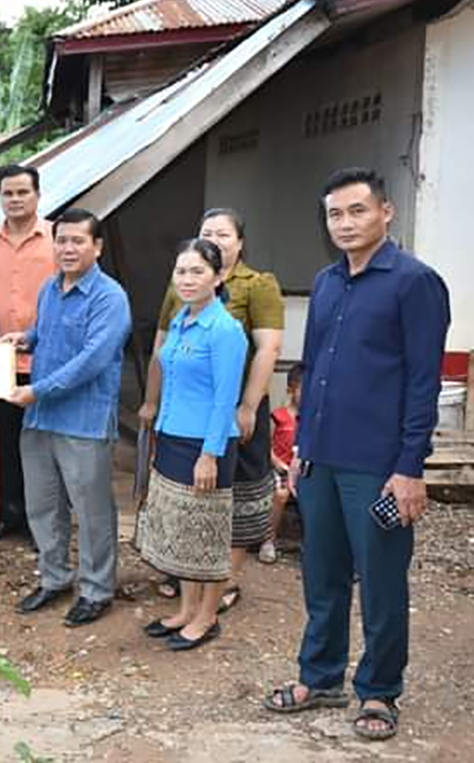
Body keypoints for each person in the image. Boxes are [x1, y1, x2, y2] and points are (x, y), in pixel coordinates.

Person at [265, 168, 449, 742]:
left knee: (382, 582)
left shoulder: (415, 283)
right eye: (335, 214)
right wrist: (302, 447)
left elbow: (423, 383)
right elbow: (313, 371)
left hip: (379, 467)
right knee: (321, 575)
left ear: (385, 212)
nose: (345, 223)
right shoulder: (326, 283)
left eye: (357, 211)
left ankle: (379, 690)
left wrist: (410, 467)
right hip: (321, 460)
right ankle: (320, 677)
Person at [140, 207, 284, 611]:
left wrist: (248, 406)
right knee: (189, 512)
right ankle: (189, 595)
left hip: (230, 413)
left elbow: (267, 350)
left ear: (239, 243)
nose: (215, 240)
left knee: (228, 507)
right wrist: (152, 401)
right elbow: (162, 350)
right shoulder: (184, 299)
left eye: (224, 234)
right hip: (184, 421)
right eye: (208, 232)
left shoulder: (255, 287)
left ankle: (219, 590)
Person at [5, 209, 132, 627]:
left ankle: (97, 589)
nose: (68, 248)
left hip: (83, 420)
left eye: (78, 240)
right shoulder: (50, 288)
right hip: (40, 417)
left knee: (91, 510)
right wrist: (26, 338)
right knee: (43, 504)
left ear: (98, 247)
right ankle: (55, 577)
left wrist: (37, 389)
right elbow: (47, 333)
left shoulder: (110, 297)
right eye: (61, 240)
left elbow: (92, 360)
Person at [137, 239, 248, 651]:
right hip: (173, 437)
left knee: (208, 533)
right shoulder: (182, 318)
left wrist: (209, 455)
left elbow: (224, 398)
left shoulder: (225, 330)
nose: (187, 279)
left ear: (218, 277)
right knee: (182, 531)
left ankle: (207, 616)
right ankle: (186, 609)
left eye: (197, 271)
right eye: (181, 271)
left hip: (206, 444)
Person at [0, 164, 56, 541]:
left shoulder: (57, 238)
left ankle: (43, 524)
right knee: (3, 442)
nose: (15, 199)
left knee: (43, 443)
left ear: (38, 195)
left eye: (23, 192)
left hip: (47, 360)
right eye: (8, 193)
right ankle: (9, 513)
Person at [260, 362, 304, 564]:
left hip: (303, 470)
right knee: (281, 494)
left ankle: (310, 543)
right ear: (291, 390)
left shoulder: (311, 420)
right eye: (302, 390)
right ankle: (269, 540)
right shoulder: (278, 416)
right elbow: (265, 444)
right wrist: (276, 461)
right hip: (280, 468)